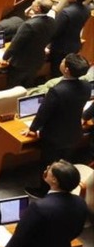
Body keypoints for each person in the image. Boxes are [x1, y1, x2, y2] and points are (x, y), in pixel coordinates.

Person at [1, 161, 89, 247]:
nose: (46, 168)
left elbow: (22, 233)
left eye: (50, 169)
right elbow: (77, 230)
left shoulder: (39, 207)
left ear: (54, 180)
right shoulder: (81, 203)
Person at [24, 53, 93, 197]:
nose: (61, 62)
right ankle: (61, 187)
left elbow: (44, 113)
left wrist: (32, 129)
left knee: (48, 165)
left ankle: (43, 191)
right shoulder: (86, 86)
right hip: (73, 132)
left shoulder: (57, 91)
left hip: (54, 135)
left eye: (63, 61)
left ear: (66, 70)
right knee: (64, 162)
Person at [0, 0, 55, 88]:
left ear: (38, 8)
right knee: (27, 86)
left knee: (13, 87)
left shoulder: (29, 25)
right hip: (37, 60)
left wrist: (5, 58)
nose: (32, 2)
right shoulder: (52, 21)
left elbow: (16, 43)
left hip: (21, 63)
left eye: (34, 2)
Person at [47, 0, 91, 73]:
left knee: (56, 70)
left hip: (60, 47)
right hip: (74, 44)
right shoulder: (87, 9)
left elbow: (55, 32)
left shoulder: (65, 12)